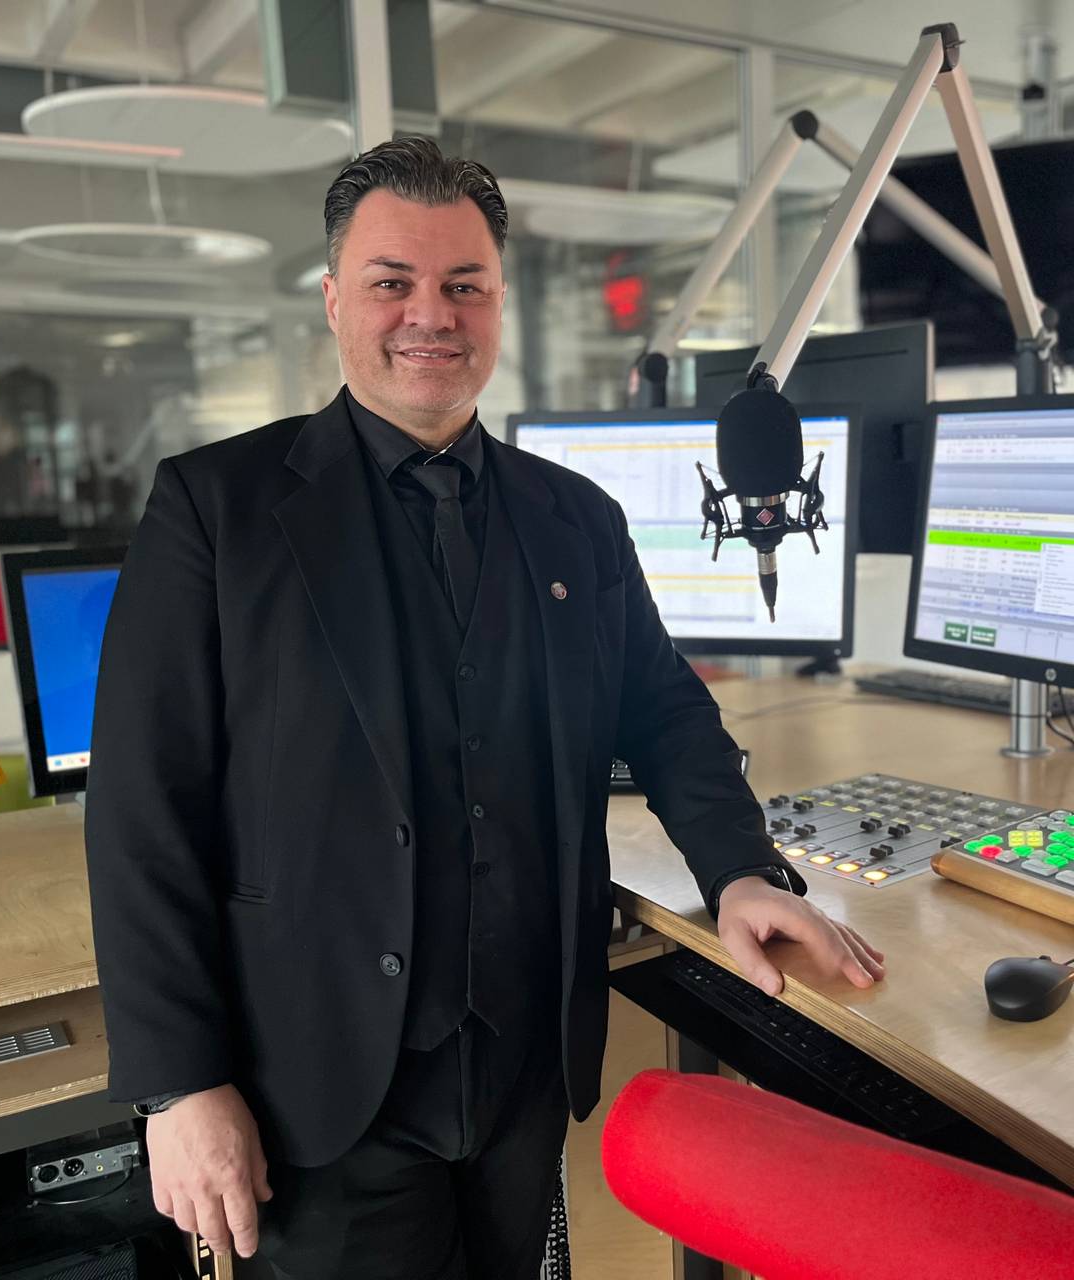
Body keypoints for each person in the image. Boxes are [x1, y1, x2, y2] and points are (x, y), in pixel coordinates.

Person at [84, 137, 885, 1280]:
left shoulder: (575, 518)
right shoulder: (216, 508)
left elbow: (662, 712)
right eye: (392, 282)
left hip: (518, 1068)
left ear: (498, 303)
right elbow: (140, 810)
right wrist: (179, 1082)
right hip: (317, 1082)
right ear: (333, 300)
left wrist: (740, 870)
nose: (431, 313)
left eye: (463, 283)